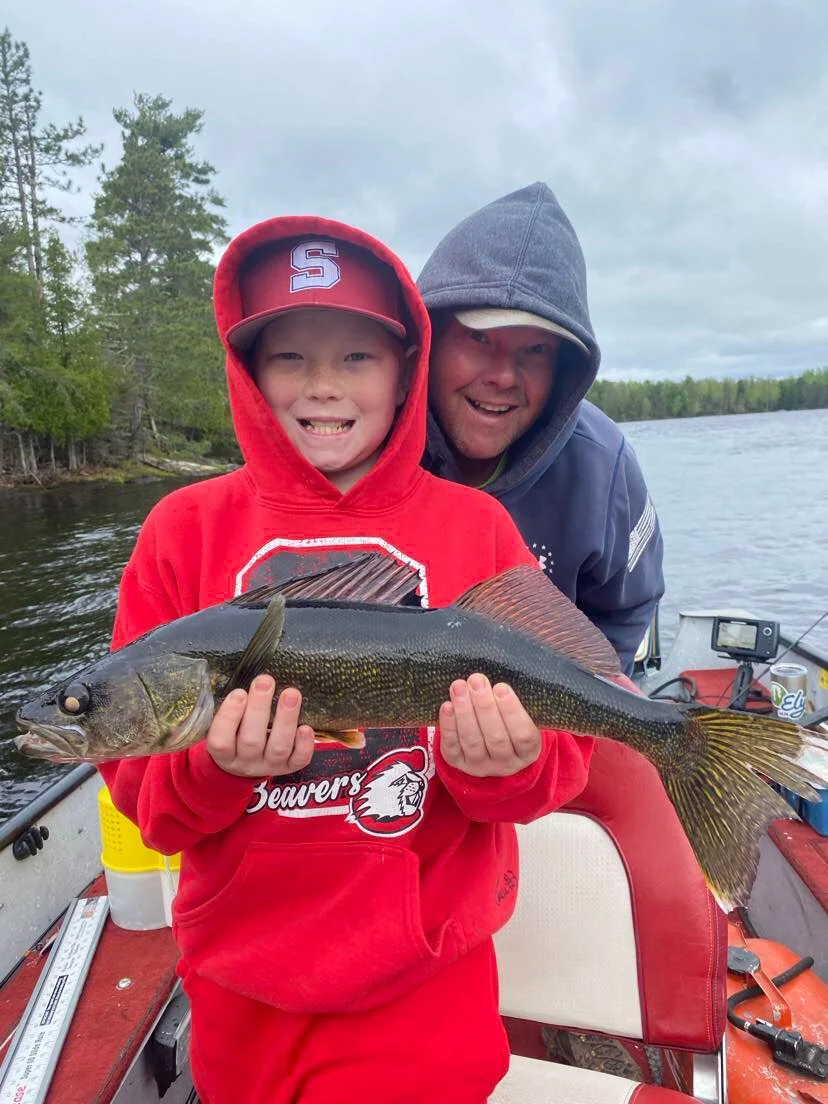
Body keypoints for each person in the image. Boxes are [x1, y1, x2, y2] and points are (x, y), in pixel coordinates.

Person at [98, 214, 594, 1104]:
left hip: (425, 985)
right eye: (289, 357)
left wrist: (499, 770)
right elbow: (148, 805)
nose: (322, 385)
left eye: (357, 358)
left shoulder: (477, 529)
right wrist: (212, 770)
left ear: (409, 369)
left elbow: (555, 766)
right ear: (247, 372)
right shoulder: (183, 532)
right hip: (240, 992)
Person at [418, 181, 665, 674]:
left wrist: (573, 720)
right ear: (431, 337)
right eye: (480, 337)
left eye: (536, 350)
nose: (504, 376)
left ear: (565, 368)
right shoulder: (363, 439)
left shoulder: (604, 465)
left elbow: (626, 609)